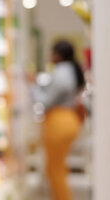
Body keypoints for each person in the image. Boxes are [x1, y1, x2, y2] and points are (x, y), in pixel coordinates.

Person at [30, 40, 86, 200]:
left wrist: (33, 86)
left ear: (58, 54)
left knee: (55, 170)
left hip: (58, 122)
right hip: (70, 120)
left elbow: (46, 100)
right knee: (58, 167)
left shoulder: (61, 72)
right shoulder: (71, 70)